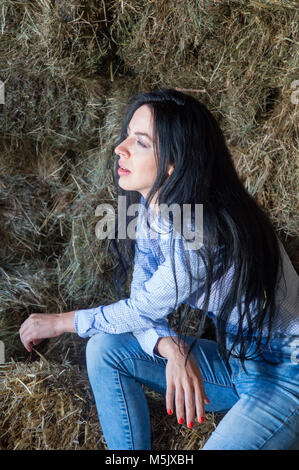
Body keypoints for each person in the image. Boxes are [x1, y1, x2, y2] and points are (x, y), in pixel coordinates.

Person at [19, 89, 299, 450]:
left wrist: (59, 321)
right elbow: (140, 300)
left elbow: (141, 309)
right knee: (105, 347)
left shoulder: (203, 232)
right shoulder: (155, 212)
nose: (120, 149)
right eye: (126, 136)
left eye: (140, 142)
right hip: (238, 361)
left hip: (287, 372)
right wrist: (171, 349)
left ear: (173, 162)